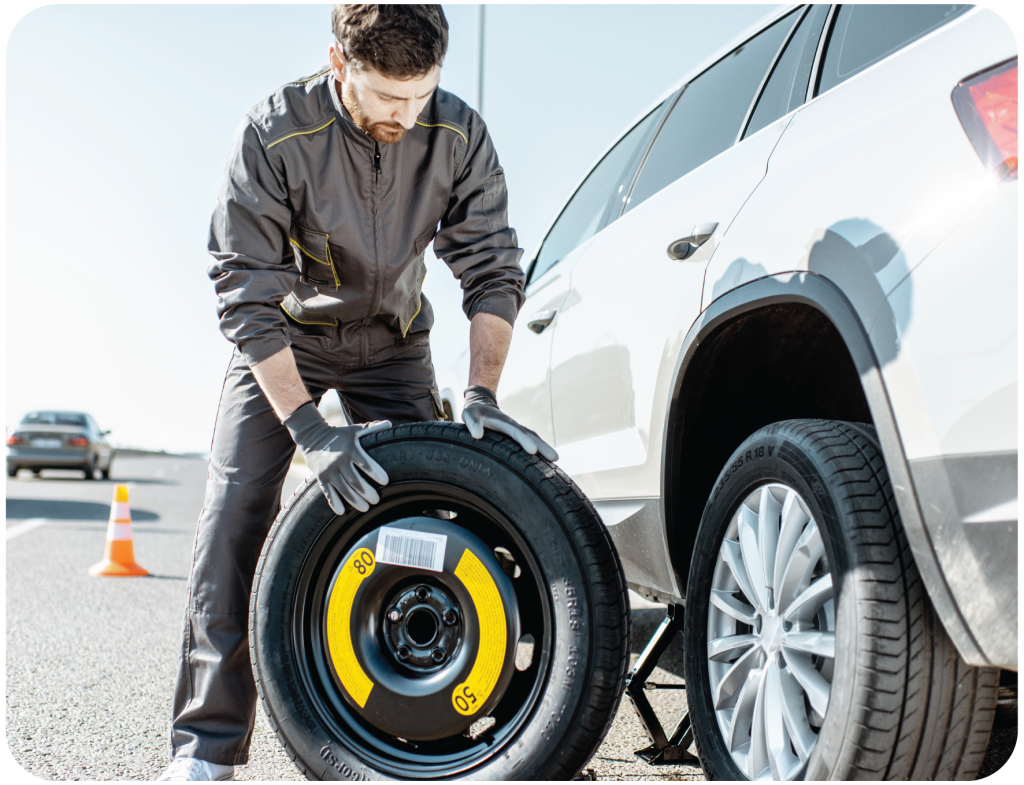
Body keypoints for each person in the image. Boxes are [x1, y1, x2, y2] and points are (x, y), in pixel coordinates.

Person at [158, 5, 556, 781]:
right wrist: (308, 429)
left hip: (394, 343)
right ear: (339, 65)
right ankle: (204, 750)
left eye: (421, 96)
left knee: (441, 507)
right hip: (285, 341)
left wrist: (480, 392)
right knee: (233, 516)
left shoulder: (457, 132)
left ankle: (441, 729)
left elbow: (492, 269)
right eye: (384, 99)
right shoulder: (274, 133)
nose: (405, 118)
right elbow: (243, 294)